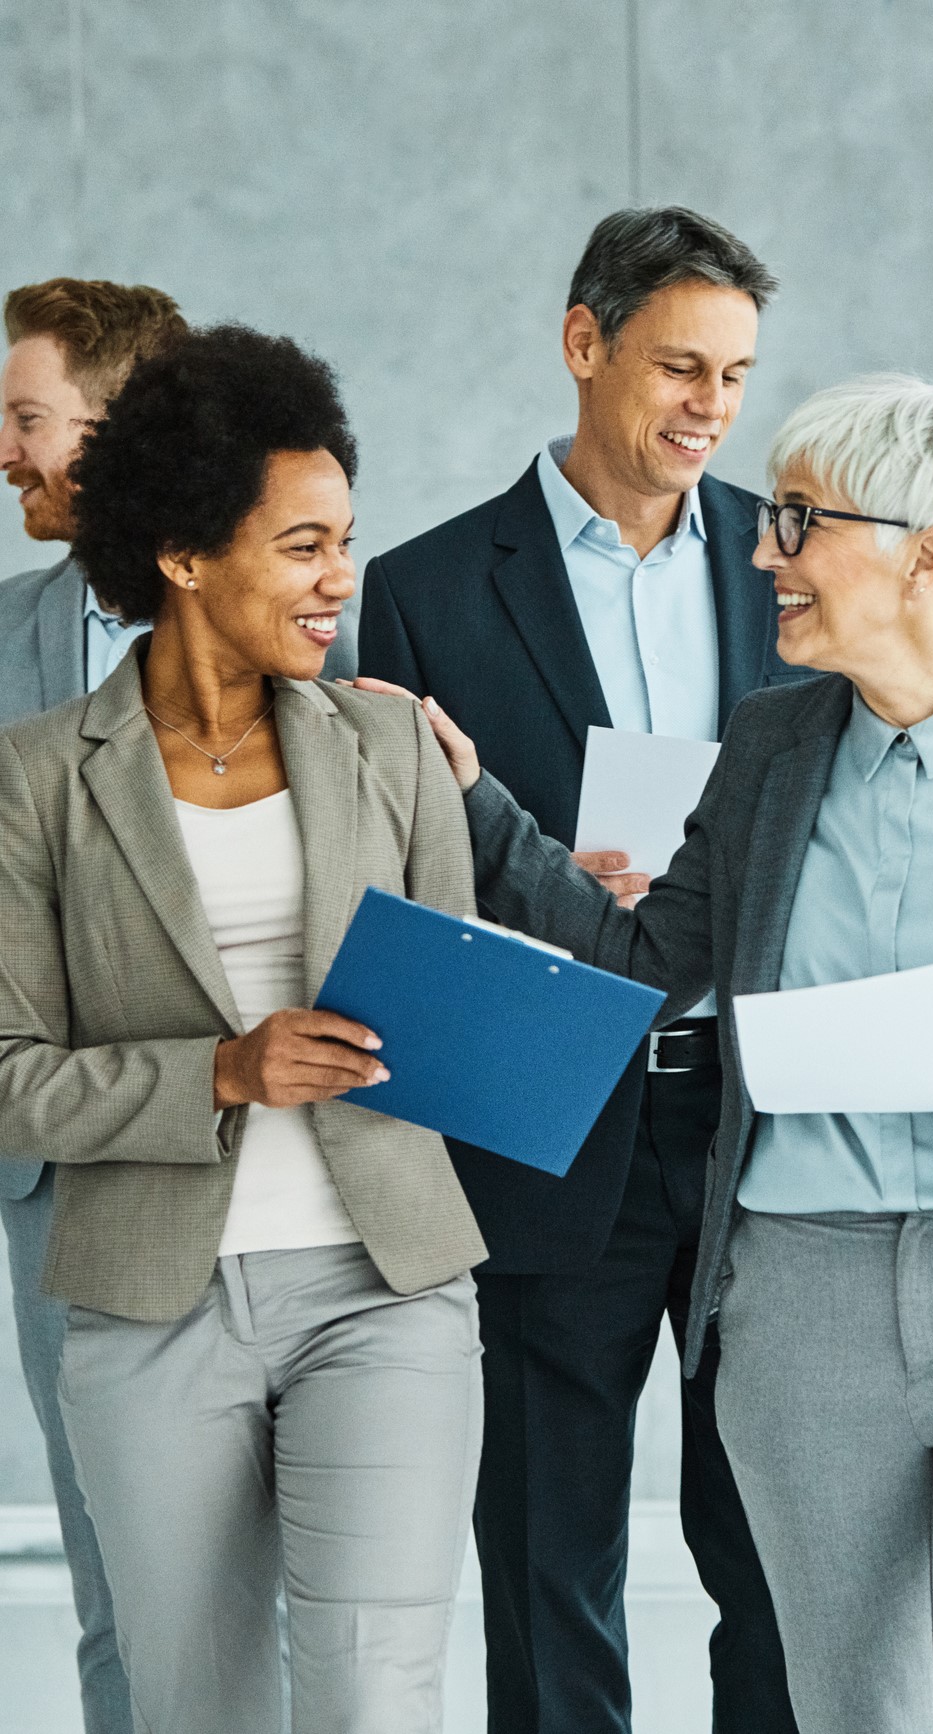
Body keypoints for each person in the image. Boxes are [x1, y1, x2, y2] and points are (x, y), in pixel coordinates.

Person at [420, 374, 933, 1733]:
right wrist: (480, 803)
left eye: (797, 521)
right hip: (800, 1303)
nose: (761, 550)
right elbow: (645, 968)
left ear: (926, 554)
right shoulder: (771, 743)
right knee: (848, 1712)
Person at [0, 324, 484, 1734]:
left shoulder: (386, 744)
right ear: (183, 554)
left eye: (346, 540)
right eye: (302, 546)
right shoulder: (35, 779)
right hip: (150, 1304)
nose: (342, 580)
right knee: (194, 1706)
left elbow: (455, 1000)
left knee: (372, 1700)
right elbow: (10, 1078)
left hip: (383, 1288)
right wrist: (223, 1069)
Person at [359, 206, 799, 1734]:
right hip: (550, 1123)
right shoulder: (423, 589)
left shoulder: (786, 559)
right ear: (581, 342)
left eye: (736, 375)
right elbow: (402, 876)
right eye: (682, 365)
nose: (710, 406)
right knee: (549, 1561)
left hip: (761, 1133)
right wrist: (540, 873)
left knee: (775, 1562)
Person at [0, 276, 191, 1734]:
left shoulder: (285, 612)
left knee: (280, 1567)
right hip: (58, 1178)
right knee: (114, 1578)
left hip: (259, 1162)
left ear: (114, 430)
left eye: (25, 416)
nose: (4, 451)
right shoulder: (4, 634)